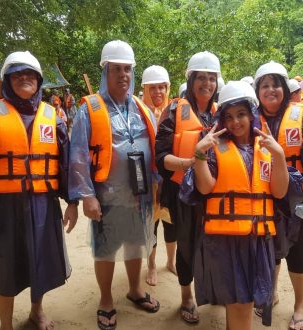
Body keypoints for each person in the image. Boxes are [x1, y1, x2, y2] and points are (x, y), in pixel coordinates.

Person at [69, 40, 160, 330]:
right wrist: (86, 195)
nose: (123, 75)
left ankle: (134, 289)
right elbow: (79, 156)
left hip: (138, 195)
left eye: (128, 69)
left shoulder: (140, 108)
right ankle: (106, 299)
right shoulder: (90, 109)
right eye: (116, 69)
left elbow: (155, 150)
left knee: (136, 244)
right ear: (105, 71)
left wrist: (157, 186)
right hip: (105, 195)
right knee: (105, 249)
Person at [192, 81, 289, 330]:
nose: (236, 122)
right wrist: (199, 156)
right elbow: (204, 188)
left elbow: (279, 191)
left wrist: (279, 156)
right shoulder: (215, 149)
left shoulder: (267, 149)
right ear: (222, 120)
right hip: (225, 240)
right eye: (230, 117)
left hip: (258, 239)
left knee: (241, 302)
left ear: (252, 114)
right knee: (239, 302)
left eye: (241, 115)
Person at [0, 51, 78, 330]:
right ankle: (5, 324)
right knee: (5, 265)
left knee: (40, 259)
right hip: (4, 205)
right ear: (6, 80)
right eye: (17, 74)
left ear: (39, 80)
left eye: (30, 74)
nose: (24, 79)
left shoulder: (52, 116)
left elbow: (66, 164)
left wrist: (72, 202)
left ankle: (36, 310)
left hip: (43, 201)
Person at [253, 61, 303, 330]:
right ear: (257, 90)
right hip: (266, 200)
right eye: (265, 85)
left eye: (276, 84)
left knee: (297, 253)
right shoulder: (252, 120)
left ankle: (300, 305)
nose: (271, 90)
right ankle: (270, 294)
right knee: (270, 252)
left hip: (300, 201)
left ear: (285, 88)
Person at [155, 50, 220, 324]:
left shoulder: (221, 112)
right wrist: (190, 161)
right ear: (191, 80)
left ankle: (215, 289)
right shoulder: (174, 111)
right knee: (186, 245)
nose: (206, 84)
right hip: (182, 192)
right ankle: (186, 296)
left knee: (215, 243)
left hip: (213, 191)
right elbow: (161, 158)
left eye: (211, 78)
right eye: (201, 78)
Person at [141, 65, 177, 286]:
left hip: (170, 178)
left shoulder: (174, 112)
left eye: (162, 87)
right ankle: (152, 265)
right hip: (146, 180)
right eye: (153, 88)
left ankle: (171, 262)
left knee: (172, 223)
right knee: (151, 225)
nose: (158, 93)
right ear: (145, 89)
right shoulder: (137, 113)